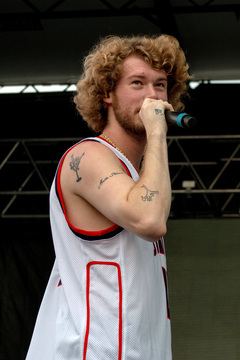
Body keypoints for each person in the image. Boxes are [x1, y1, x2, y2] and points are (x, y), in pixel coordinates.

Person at [26, 34, 192, 360]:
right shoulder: (88, 156)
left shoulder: (139, 178)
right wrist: (158, 132)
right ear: (107, 94)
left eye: (160, 85)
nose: (151, 96)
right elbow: (149, 220)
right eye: (137, 83)